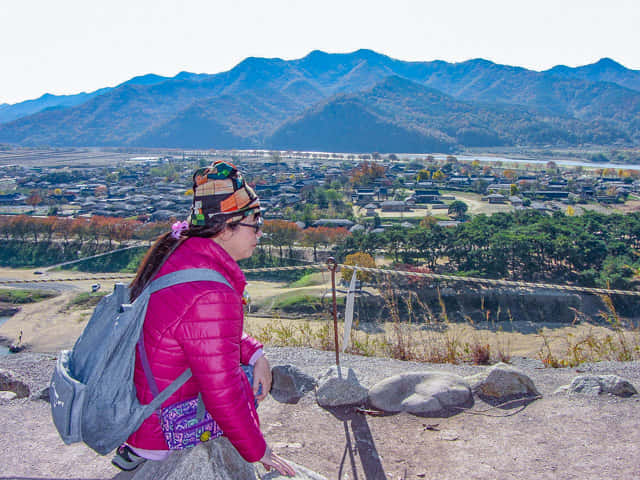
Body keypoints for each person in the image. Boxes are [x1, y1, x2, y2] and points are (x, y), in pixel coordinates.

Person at [112, 161, 295, 477]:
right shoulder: (211, 290)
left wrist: (255, 351)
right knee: (244, 381)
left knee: (248, 368)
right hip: (164, 429)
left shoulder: (182, 254)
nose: (260, 232)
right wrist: (258, 450)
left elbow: (202, 335)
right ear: (226, 228)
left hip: (144, 407)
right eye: (256, 221)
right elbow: (221, 389)